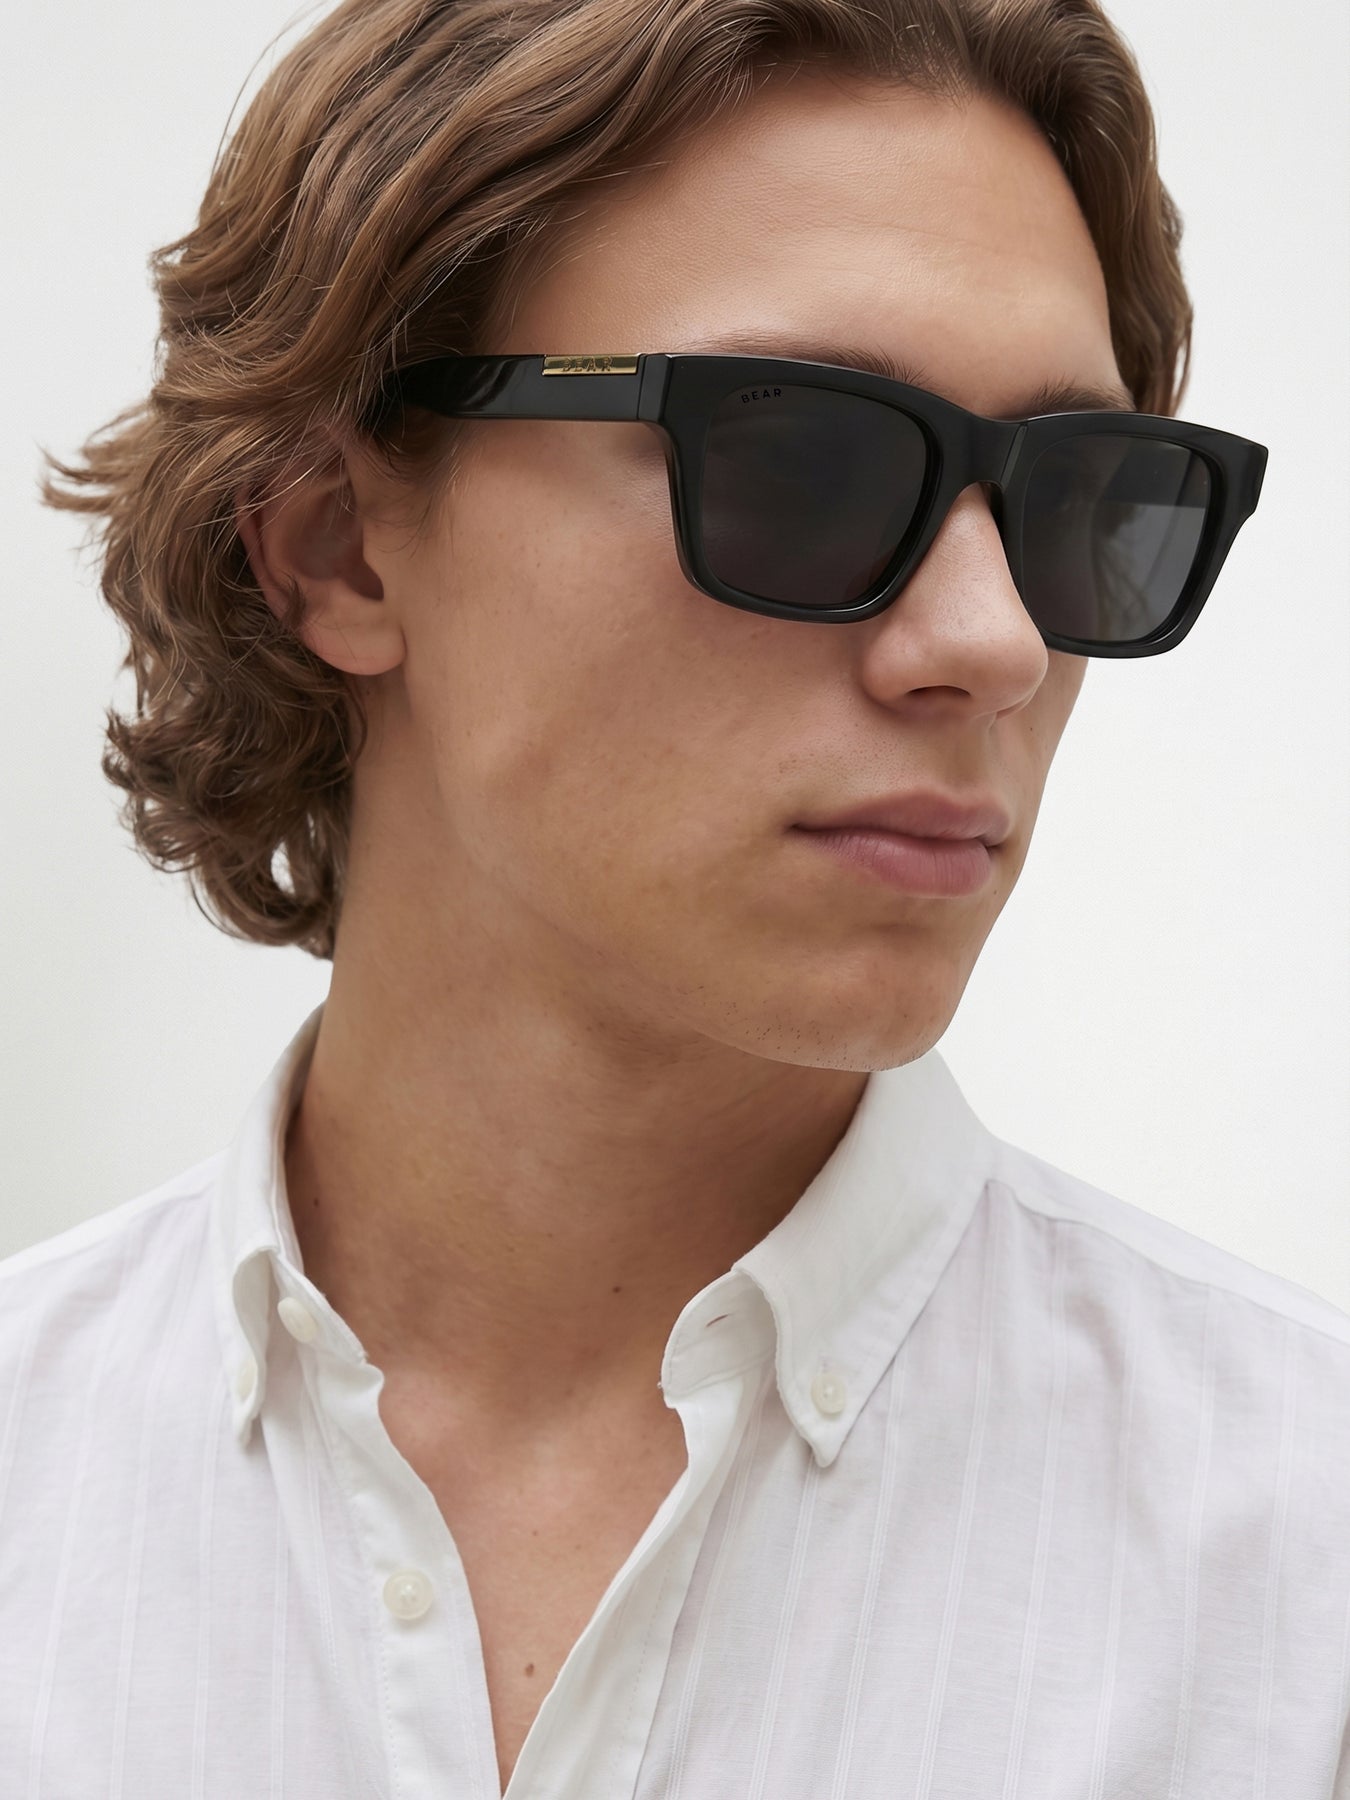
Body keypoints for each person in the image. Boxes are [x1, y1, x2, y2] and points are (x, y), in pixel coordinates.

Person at [4, 0, 1345, 1794]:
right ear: (334, 543)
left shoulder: (1304, 1577)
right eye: (801, 460)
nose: (994, 644)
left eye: (1079, 498)